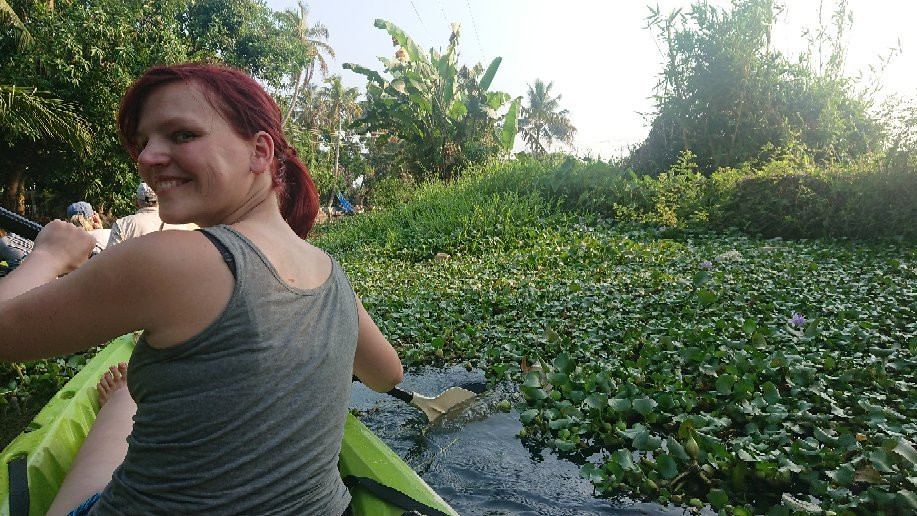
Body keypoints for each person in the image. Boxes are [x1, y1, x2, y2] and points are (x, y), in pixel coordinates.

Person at [0, 62, 404, 515]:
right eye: (144, 142)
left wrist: (47, 256)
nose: (148, 158)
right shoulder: (333, 273)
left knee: (128, 395)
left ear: (259, 152)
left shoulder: (170, 258)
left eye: (181, 135)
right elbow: (387, 375)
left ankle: (122, 396)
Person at [106, 182, 196, 247]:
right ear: (160, 200)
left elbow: (110, 258)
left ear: (136, 202)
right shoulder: (180, 225)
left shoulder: (123, 224)